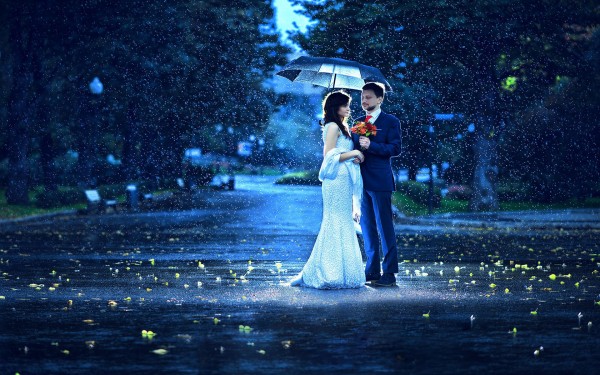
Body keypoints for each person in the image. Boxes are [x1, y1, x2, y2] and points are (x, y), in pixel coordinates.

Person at [290, 90, 366, 289]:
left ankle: (343, 272)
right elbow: (329, 157)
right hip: (335, 180)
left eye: (349, 105)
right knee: (334, 221)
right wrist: (353, 153)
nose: (349, 109)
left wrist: (356, 153)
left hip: (345, 179)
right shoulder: (332, 126)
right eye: (345, 105)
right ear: (335, 107)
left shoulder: (344, 126)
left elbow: (344, 153)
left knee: (344, 222)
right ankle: (324, 272)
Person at [352, 82, 402, 287]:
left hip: (380, 181)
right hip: (361, 181)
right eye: (362, 97)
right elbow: (353, 147)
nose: (364, 101)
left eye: (369, 97)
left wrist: (372, 145)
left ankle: (389, 272)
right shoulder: (357, 121)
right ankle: (371, 270)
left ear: (380, 99)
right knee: (367, 228)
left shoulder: (390, 121)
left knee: (385, 227)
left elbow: (395, 148)